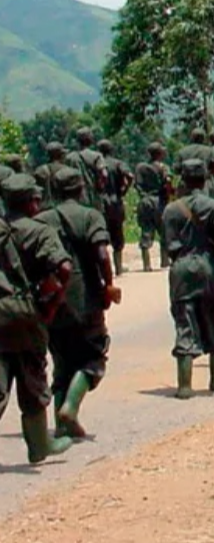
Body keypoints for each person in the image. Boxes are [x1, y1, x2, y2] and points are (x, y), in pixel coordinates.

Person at [35, 167, 120, 438]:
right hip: (86, 296)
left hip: (53, 297)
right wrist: (109, 285)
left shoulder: (42, 220)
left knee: (61, 359)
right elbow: (102, 253)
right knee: (93, 357)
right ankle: (70, 408)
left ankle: (62, 425)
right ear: (81, 188)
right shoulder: (90, 216)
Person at [1, 174, 75, 463]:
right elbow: (65, 269)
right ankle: (40, 445)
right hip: (25, 311)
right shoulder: (40, 232)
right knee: (32, 376)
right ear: (32, 201)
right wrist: (52, 304)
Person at [163, 160, 214, 399]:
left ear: (183, 180)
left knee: (185, 322)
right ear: (205, 179)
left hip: (181, 269)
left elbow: (167, 245)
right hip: (210, 267)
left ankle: (185, 385)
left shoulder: (171, 210)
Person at [96, 140, 133, 275]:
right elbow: (129, 176)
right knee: (118, 235)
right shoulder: (117, 163)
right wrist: (124, 190)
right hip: (115, 201)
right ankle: (118, 268)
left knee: (101, 236)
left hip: (101, 203)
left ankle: (104, 270)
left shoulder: (96, 164)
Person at [134, 142, 173, 271]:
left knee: (146, 230)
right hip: (159, 201)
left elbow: (137, 185)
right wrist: (169, 195)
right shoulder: (163, 167)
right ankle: (165, 261)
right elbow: (168, 181)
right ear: (160, 153)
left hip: (145, 201)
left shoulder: (140, 167)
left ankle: (146, 264)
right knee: (164, 231)